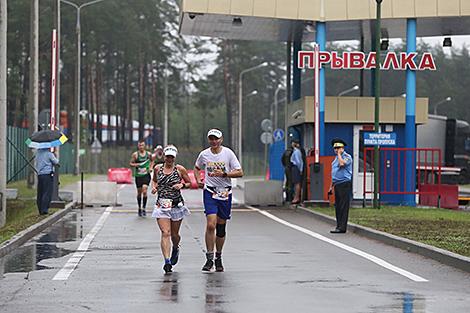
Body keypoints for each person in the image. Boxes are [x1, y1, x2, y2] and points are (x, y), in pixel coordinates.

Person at [194, 129, 243, 272]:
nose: (214, 142)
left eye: (216, 139)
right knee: (211, 225)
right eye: (211, 139)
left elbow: (240, 172)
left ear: (221, 140)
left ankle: (218, 257)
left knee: (221, 227)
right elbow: (197, 168)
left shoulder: (228, 153)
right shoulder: (204, 154)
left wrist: (225, 174)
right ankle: (209, 258)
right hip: (210, 191)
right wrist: (198, 179)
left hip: (224, 193)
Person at [151, 145, 191, 274]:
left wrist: (182, 185)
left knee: (174, 235)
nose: (169, 159)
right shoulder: (158, 168)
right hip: (162, 205)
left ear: (174, 157)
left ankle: (175, 247)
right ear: (164, 156)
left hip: (176, 205)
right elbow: (155, 181)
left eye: (171, 157)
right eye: (167, 156)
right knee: (165, 232)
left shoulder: (179, 169)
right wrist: (155, 187)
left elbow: (189, 182)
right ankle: (167, 261)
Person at [328, 138, 353, 234]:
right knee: (338, 206)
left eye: (338, 148)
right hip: (337, 184)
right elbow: (334, 173)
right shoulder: (335, 159)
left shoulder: (347, 157)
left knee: (343, 206)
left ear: (343, 148)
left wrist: (339, 154)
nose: (336, 150)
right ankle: (338, 226)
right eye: (335, 148)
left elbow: (342, 164)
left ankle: (342, 227)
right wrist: (331, 186)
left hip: (344, 183)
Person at [130, 140, 153, 217]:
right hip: (138, 176)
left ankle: (144, 208)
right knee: (139, 193)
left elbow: (153, 161)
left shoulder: (148, 154)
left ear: (145, 146)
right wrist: (137, 164)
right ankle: (139, 207)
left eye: (142, 145)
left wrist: (150, 167)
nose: (141, 147)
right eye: (140, 145)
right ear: (138, 146)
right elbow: (131, 163)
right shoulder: (135, 155)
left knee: (145, 190)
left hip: (146, 175)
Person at [35, 148, 59, 215]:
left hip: (40, 174)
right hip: (47, 174)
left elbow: (36, 163)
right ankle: (44, 209)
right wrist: (55, 155)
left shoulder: (38, 154)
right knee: (47, 192)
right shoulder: (49, 154)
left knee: (40, 192)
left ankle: (40, 209)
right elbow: (56, 162)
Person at [290, 139, 303, 204]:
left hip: (296, 168)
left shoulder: (296, 152)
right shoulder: (295, 151)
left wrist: (300, 169)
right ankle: (295, 197)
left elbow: (298, 162)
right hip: (295, 168)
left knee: (297, 183)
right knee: (295, 183)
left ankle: (296, 197)